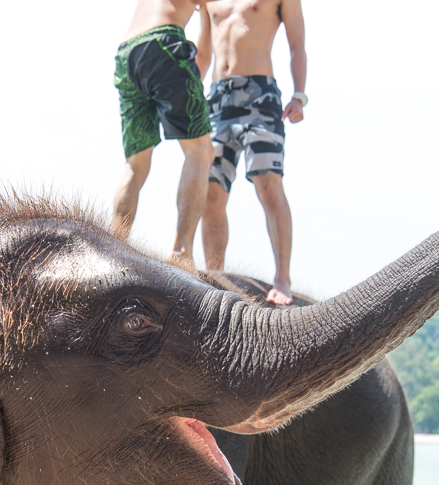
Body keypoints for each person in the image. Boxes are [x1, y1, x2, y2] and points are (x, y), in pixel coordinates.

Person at [197, 0, 306, 304]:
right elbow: (203, 53)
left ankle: (282, 279)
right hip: (218, 101)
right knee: (210, 193)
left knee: (269, 184)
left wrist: (299, 95)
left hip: (260, 97)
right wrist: (185, 95)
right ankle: (214, 276)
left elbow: (297, 45)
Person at [113, 1, 215, 267]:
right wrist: (205, 13)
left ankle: (115, 246)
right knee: (200, 151)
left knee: (135, 164)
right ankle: (182, 252)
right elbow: (201, 60)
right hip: (163, 43)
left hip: (127, 53)